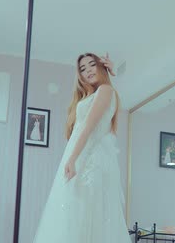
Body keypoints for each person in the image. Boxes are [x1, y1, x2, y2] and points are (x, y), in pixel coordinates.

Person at [33, 53, 130, 242]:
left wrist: (72, 158)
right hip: (85, 158)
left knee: (85, 214)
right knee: (78, 215)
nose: (88, 71)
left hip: (90, 161)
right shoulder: (93, 94)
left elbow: (88, 127)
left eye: (92, 65)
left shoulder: (105, 90)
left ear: (102, 67)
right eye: (83, 69)